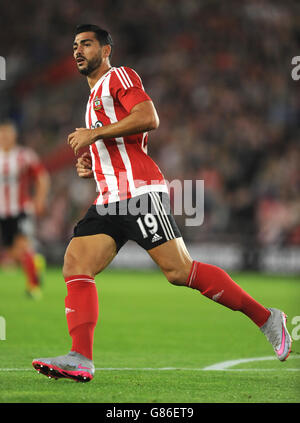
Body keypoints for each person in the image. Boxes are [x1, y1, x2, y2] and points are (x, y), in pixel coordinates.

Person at [32, 24, 292, 382]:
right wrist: (92, 161)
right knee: (75, 263)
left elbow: (148, 118)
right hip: (110, 197)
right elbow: (121, 142)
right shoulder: (92, 100)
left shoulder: (119, 76)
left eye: (87, 44)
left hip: (139, 191)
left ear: (106, 50)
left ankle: (267, 319)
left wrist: (94, 134)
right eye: (75, 45)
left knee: (179, 272)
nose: (78, 50)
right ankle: (80, 357)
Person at [0, 120, 49, 298]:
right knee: (12, 254)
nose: (4, 137)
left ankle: (33, 287)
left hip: (21, 209)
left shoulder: (24, 155)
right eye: (2, 134)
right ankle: (35, 263)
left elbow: (42, 177)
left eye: (8, 134)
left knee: (22, 247)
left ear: (14, 135)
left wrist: (39, 199)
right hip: (2, 212)